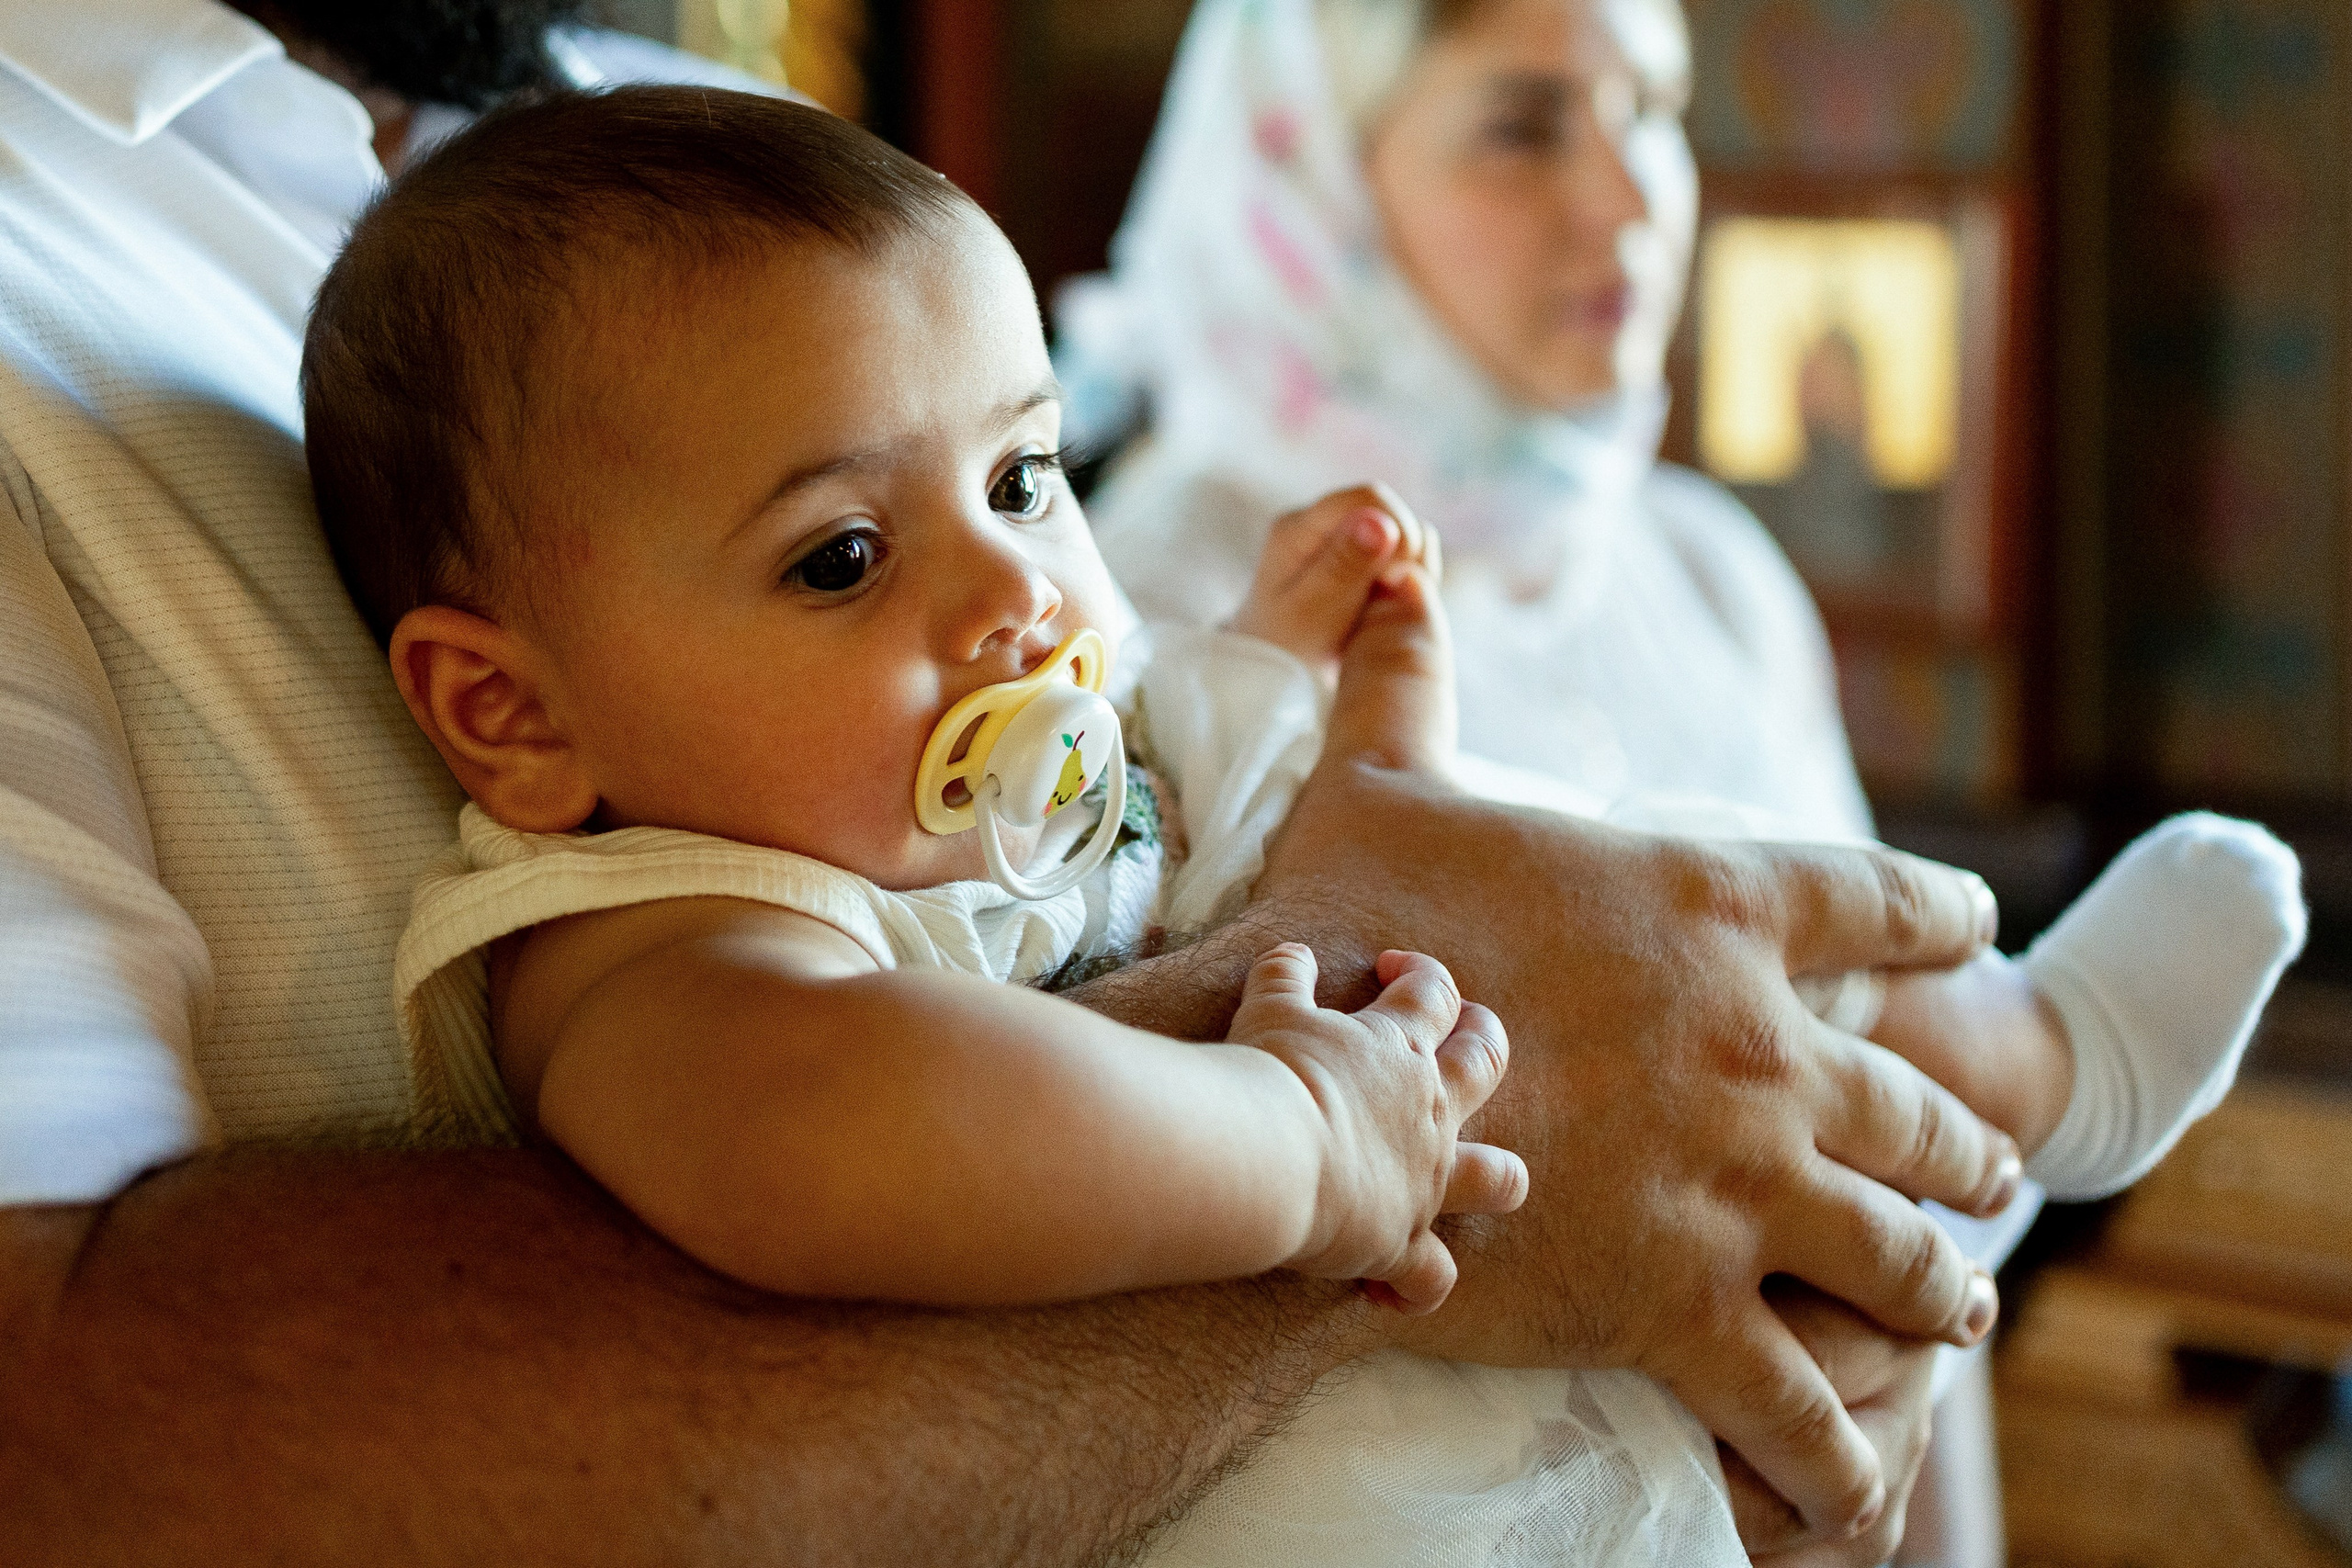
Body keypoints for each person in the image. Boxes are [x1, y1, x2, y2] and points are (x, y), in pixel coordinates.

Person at [2, 3, 2021, 1561]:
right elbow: (827, 1131)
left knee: (1918, 1023)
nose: (1016, 590)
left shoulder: (670, 146)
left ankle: (2066, 1048)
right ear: (514, 720)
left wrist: (1351, 733)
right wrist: (1302, 1144)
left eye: (1026, 477)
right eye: (841, 558)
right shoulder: (668, 932)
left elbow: (1251, 852)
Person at [1048, 0, 2035, 1558]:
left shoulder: (1713, 577)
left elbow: (1894, 1163)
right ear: (1307, 166)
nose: (1633, 196)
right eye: (1523, 127)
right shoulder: (1149, 608)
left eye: (1652, 108)